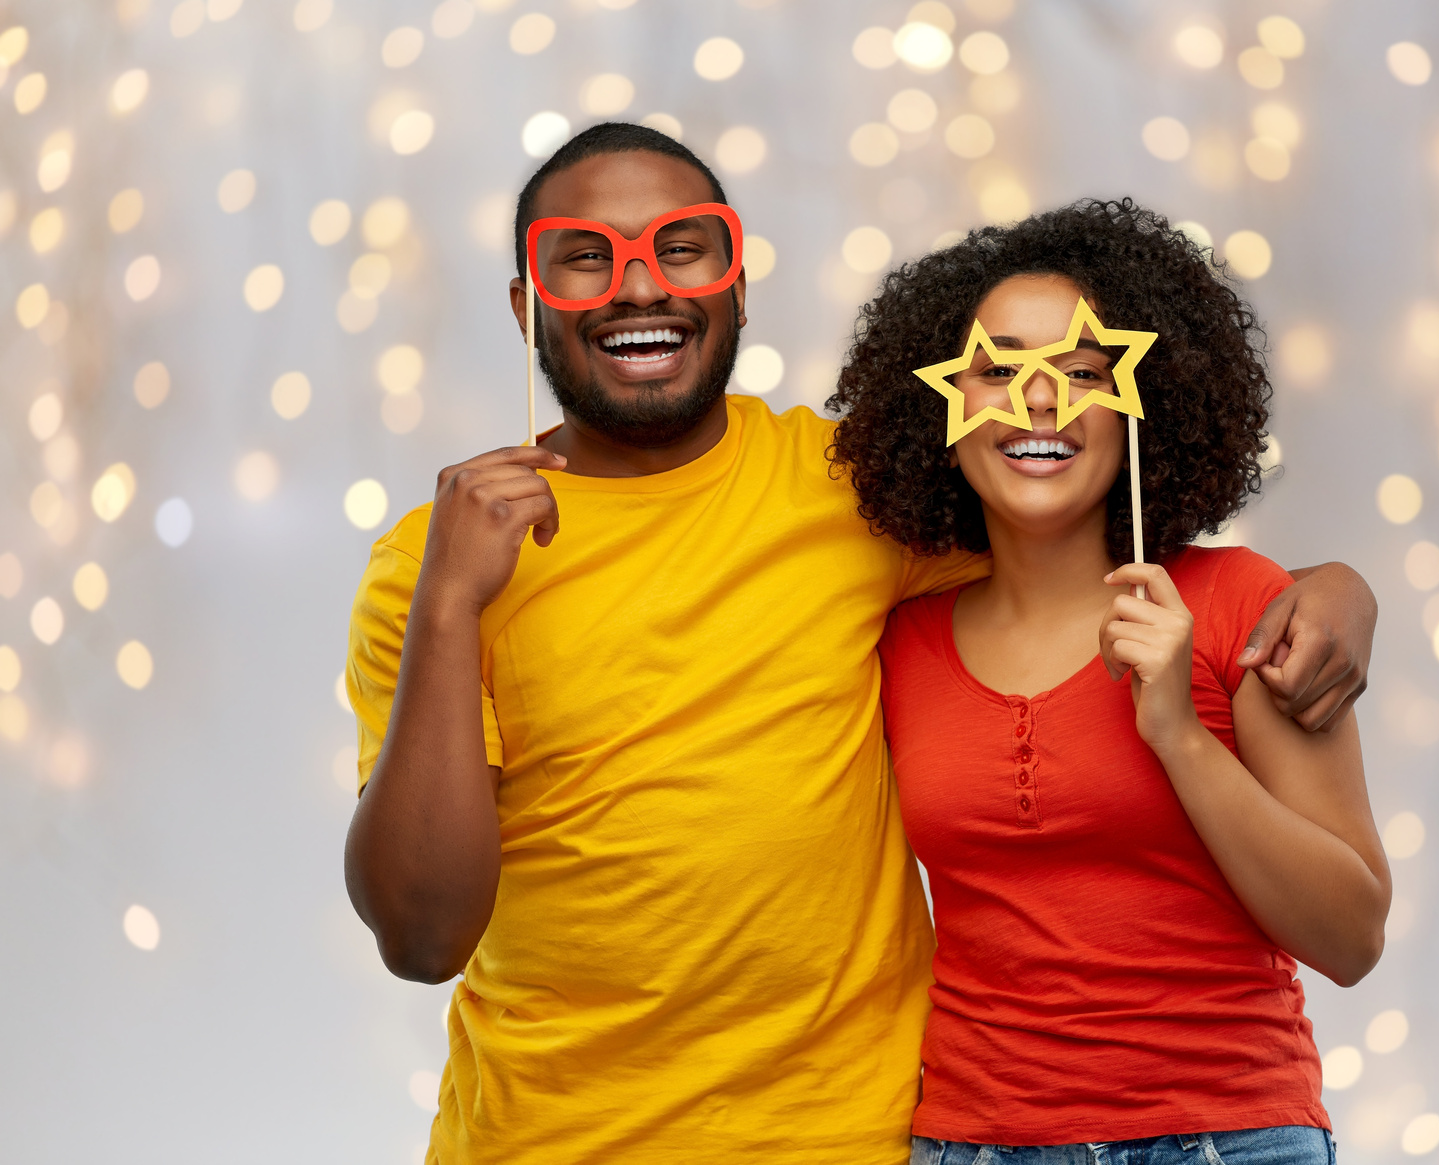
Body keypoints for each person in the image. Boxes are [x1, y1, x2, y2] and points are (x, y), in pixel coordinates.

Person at [342, 124, 1379, 1164]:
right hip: (546, 1141)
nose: (640, 287)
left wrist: (1332, 589)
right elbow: (422, 937)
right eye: (585, 256)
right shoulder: (430, 568)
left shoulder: (851, 497)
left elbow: (1058, 530)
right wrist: (448, 604)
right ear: (528, 305)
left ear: (738, 286)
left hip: (855, 1138)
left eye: (681, 248)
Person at [829, 199, 1390, 1165]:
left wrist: (1177, 731)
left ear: (1140, 407)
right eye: (997, 370)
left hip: (1228, 1139)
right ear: (942, 413)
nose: (1038, 401)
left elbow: (1351, 937)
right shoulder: (896, 644)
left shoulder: (1237, 605)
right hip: (973, 1144)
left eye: (1081, 373)